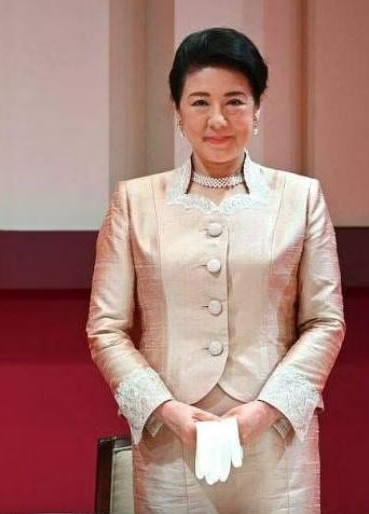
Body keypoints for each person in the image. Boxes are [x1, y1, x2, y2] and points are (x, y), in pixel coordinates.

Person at [87, 27, 345, 512]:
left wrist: (265, 412)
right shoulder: (136, 201)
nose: (218, 119)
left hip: (276, 444)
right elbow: (106, 329)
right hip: (171, 444)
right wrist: (169, 412)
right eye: (200, 102)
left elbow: (325, 321)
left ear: (257, 108)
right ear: (177, 112)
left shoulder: (300, 198)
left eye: (235, 101)